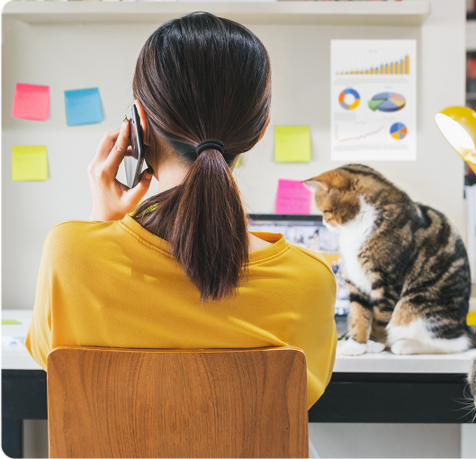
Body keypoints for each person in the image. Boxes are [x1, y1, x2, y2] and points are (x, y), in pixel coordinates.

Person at [26, 12, 337, 409]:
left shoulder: (68, 253)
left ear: (138, 127)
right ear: (260, 130)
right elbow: (304, 397)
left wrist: (101, 225)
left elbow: (50, 357)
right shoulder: (311, 281)